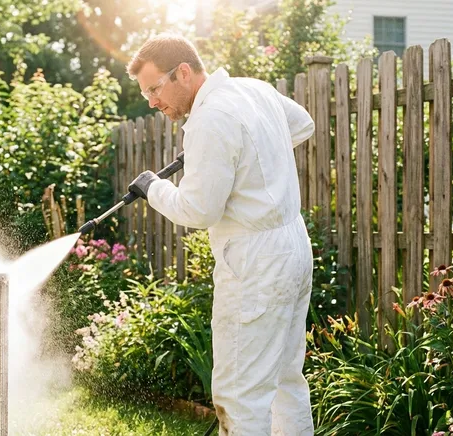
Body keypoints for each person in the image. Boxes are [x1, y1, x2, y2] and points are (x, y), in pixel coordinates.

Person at [125, 33, 316, 435]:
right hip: (292, 245)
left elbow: (197, 211)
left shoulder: (210, 119)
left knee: (240, 394)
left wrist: (152, 187)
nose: (153, 102)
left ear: (183, 72)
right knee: (285, 379)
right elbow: (302, 123)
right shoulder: (253, 89)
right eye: (146, 95)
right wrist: (240, 158)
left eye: (155, 89)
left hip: (256, 262)